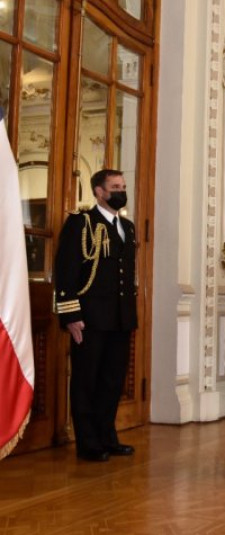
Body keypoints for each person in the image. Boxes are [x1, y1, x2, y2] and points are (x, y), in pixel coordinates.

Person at [54, 169, 137, 462]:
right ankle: (87, 442)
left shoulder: (127, 226)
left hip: (120, 318)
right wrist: (71, 314)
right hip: (89, 317)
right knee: (87, 379)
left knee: (112, 380)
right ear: (99, 192)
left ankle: (107, 436)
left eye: (123, 186)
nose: (121, 191)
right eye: (115, 186)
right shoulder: (82, 223)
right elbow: (66, 270)